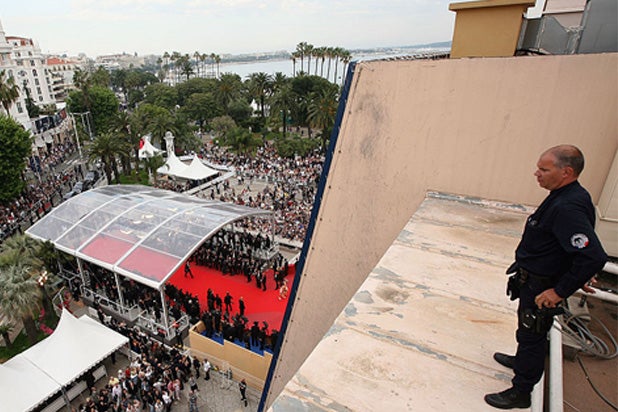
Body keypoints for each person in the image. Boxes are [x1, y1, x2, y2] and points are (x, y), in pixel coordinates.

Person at [485, 145, 607, 409]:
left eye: (543, 169)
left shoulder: (567, 206)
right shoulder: (569, 195)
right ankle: (521, 362)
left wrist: (560, 290)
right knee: (527, 333)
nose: (536, 173)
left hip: (542, 287)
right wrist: (575, 274)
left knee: (532, 336)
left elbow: (593, 255)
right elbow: (573, 245)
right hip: (534, 279)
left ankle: (521, 392)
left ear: (567, 172)